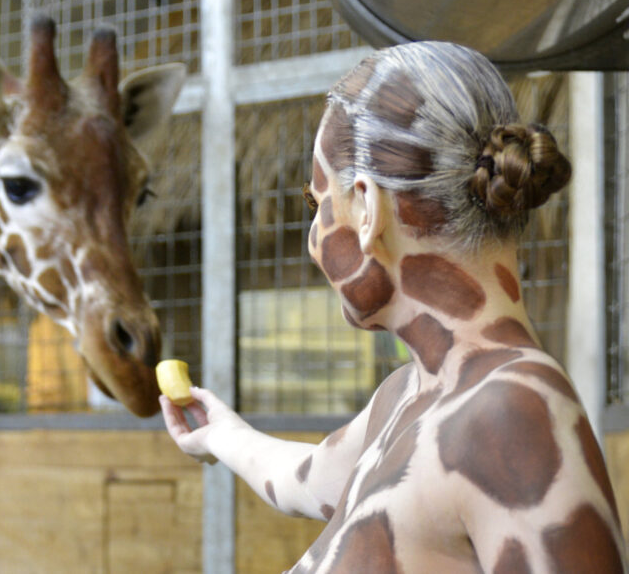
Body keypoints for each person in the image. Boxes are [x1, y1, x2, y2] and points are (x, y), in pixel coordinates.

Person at [161, 42, 626, 572]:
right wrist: (219, 433)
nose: (313, 237)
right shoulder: (408, 396)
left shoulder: (509, 414)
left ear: (365, 208)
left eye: (318, 204)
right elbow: (303, 480)